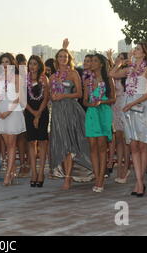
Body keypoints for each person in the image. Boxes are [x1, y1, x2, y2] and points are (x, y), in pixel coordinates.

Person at [110, 42, 147, 198]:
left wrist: (132, 103)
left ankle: (140, 182)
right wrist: (121, 63)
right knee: (134, 146)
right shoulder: (129, 70)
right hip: (128, 109)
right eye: (134, 49)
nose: (134, 50)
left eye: (137, 49)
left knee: (142, 146)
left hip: (142, 108)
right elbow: (112, 74)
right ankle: (138, 180)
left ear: (144, 53)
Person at [49, 46, 91, 190]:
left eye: (65, 57)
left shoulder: (73, 74)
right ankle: (65, 175)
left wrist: (64, 95)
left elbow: (79, 94)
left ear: (69, 59)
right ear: (57, 59)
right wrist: (53, 97)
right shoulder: (53, 77)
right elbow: (51, 95)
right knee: (61, 143)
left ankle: (67, 178)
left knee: (70, 144)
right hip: (57, 112)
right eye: (60, 56)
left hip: (71, 110)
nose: (63, 59)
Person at [84, 54, 116, 192]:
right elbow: (84, 100)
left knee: (102, 146)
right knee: (92, 147)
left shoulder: (108, 79)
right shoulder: (87, 81)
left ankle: (101, 179)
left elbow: (113, 99)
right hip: (91, 113)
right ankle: (97, 176)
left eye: (95, 61)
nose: (92, 63)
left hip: (104, 112)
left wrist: (101, 101)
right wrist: (90, 104)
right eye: (91, 61)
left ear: (101, 64)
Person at [0, 53, 26, 186]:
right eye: (2, 62)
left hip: (12, 111)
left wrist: (8, 111)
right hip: (1, 111)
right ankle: (12, 171)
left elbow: (19, 97)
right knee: (7, 144)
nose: (5, 65)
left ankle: (8, 174)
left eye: (7, 62)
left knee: (12, 144)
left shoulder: (18, 77)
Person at [25, 55, 50, 188]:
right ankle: (33, 172)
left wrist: (38, 114)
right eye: (30, 64)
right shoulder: (25, 80)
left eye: (35, 64)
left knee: (42, 142)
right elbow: (22, 99)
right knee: (31, 142)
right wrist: (33, 113)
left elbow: (46, 98)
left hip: (42, 112)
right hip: (29, 112)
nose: (32, 66)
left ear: (39, 66)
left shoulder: (43, 79)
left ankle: (41, 173)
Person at [112, 53, 131, 184]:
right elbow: (110, 74)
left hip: (125, 103)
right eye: (117, 57)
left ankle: (126, 167)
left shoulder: (127, 72)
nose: (119, 59)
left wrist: (120, 64)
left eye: (121, 58)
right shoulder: (115, 72)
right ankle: (119, 167)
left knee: (126, 139)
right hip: (115, 106)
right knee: (118, 138)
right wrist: (116, 64)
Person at [16, 54, 30, 177]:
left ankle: (29, 164)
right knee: (20, 139)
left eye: (24, 64)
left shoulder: (29, 76)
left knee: (29, 139)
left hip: (29, 109)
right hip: (19, 109)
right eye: (20, 64)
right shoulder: (14, 77)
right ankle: (22, 164)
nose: (23, 66)